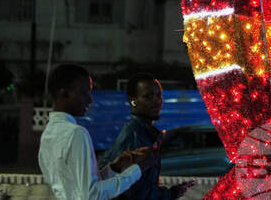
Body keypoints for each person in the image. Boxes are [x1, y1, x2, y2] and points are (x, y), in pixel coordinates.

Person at [39, 64, 153, 200]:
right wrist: (136, 170)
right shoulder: (76, 133)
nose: (90, 99)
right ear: (64, 93)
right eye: (84, 93)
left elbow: (77, 188)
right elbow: (91, 194)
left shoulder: (48, 135)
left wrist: (114, 168)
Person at [100, 73, 196, 199]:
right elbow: (137, 192)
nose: (156, 101)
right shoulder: (134, 135)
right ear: (133, 101)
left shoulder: (145, 132)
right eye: (148, 96)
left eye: (158, 95)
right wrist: (171, 194)